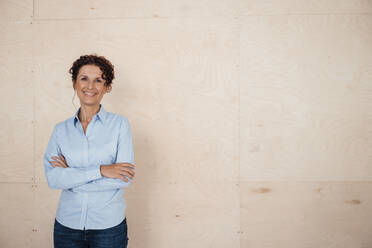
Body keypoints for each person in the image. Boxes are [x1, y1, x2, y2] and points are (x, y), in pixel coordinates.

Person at [43, 54, 135, 248]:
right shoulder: (61, 130)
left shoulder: (119, 125)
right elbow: (54, 179)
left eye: (98, 80)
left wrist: (71, 176)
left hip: (108, 227)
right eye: (84, 78)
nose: (90, 86)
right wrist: (102, 170)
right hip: (67, 226)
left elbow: (123, 178)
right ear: (74, 83)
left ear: (107, 86)